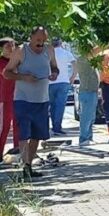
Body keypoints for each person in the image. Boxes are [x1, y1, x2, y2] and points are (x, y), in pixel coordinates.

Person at [2, 27, 59, 180]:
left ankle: (29, 166)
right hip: (23, 100)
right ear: (31, 38)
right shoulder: (21, 51)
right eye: (38, 40)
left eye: (43, 40)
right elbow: (6, 73)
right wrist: (23, 77)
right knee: (23, 134)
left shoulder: (49, 50)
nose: (41, 44)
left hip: (42, 100)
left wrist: (54, 73)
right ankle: (24, 166)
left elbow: (55, 67)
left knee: (37, 135)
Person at [71, 46, 100, 146]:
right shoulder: (82, 59)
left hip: (92, 92)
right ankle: (83, 138)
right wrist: (105, 43)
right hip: (87, 92)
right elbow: (94, 52)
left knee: (91, 117)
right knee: (86, 117)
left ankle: (88, 137)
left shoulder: (90, 60)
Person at [48, 37, 75, 135]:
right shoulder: (66, 53)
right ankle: (57, 127)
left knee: (52, 105)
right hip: (63, 82)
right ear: (61, 43)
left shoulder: (48, 53)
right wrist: (72, 76)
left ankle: (53, 126)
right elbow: (74, 64)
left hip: (50, 82)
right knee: (60, 105)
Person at [0, 37, 20, 157]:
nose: (11, 48)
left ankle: (18, 150)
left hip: (17, 98)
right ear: (2, 48)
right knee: (4, 127)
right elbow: (9, 74)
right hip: (3, 99)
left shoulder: (17, 62)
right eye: (8, 46)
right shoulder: (1, 62)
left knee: (18, 125)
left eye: (13, 46)